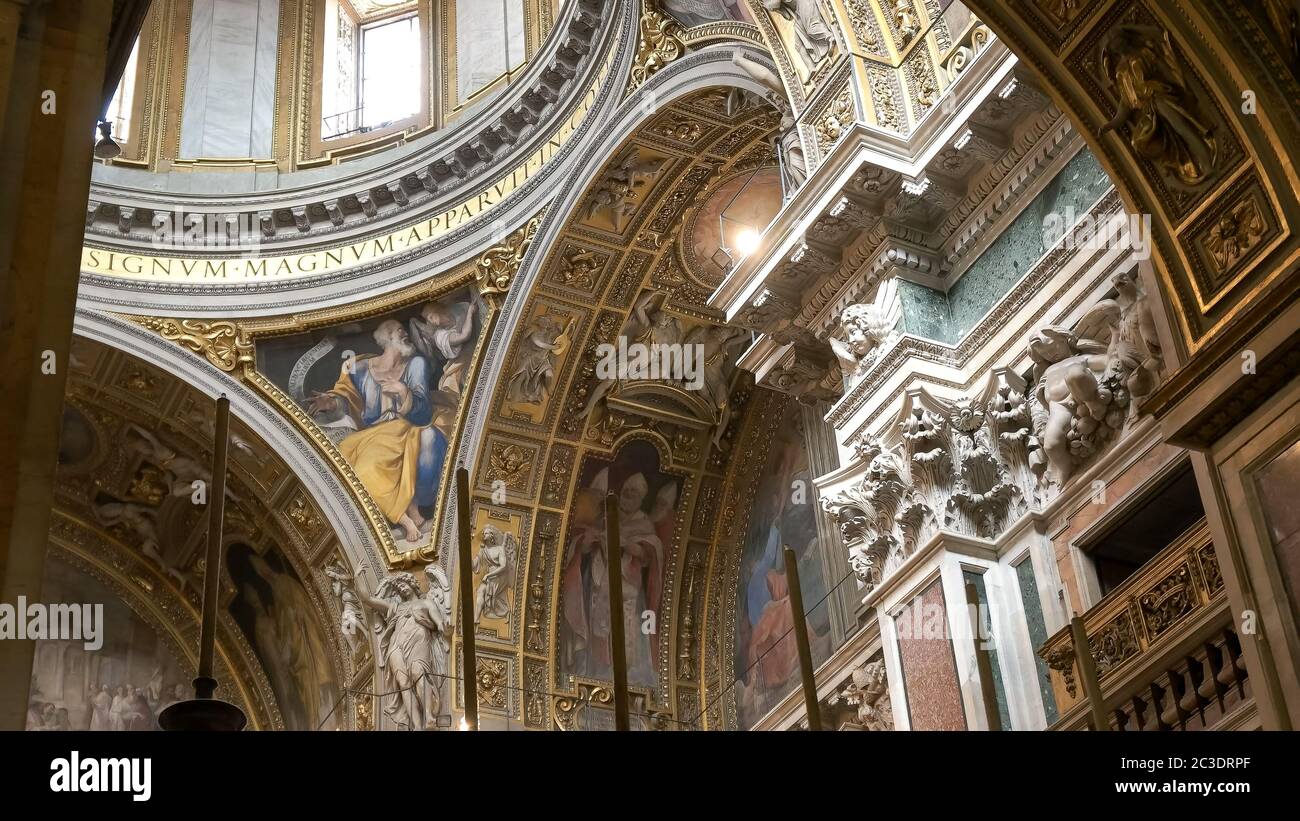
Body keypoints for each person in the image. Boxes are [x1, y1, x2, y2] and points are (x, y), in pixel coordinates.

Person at [308, 320, 453, 542]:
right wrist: (332, 403)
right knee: (344, 459)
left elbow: (422, 411)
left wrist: (404, 392)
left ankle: (406, 518)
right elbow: (347, 398)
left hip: (403, 427)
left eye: (404, 330)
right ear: (386, 338)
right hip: (372, 433)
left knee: (367, 469)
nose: (405, 333)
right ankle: (409, 516)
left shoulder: (415, 364)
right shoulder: (359, 367)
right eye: (399, 330)